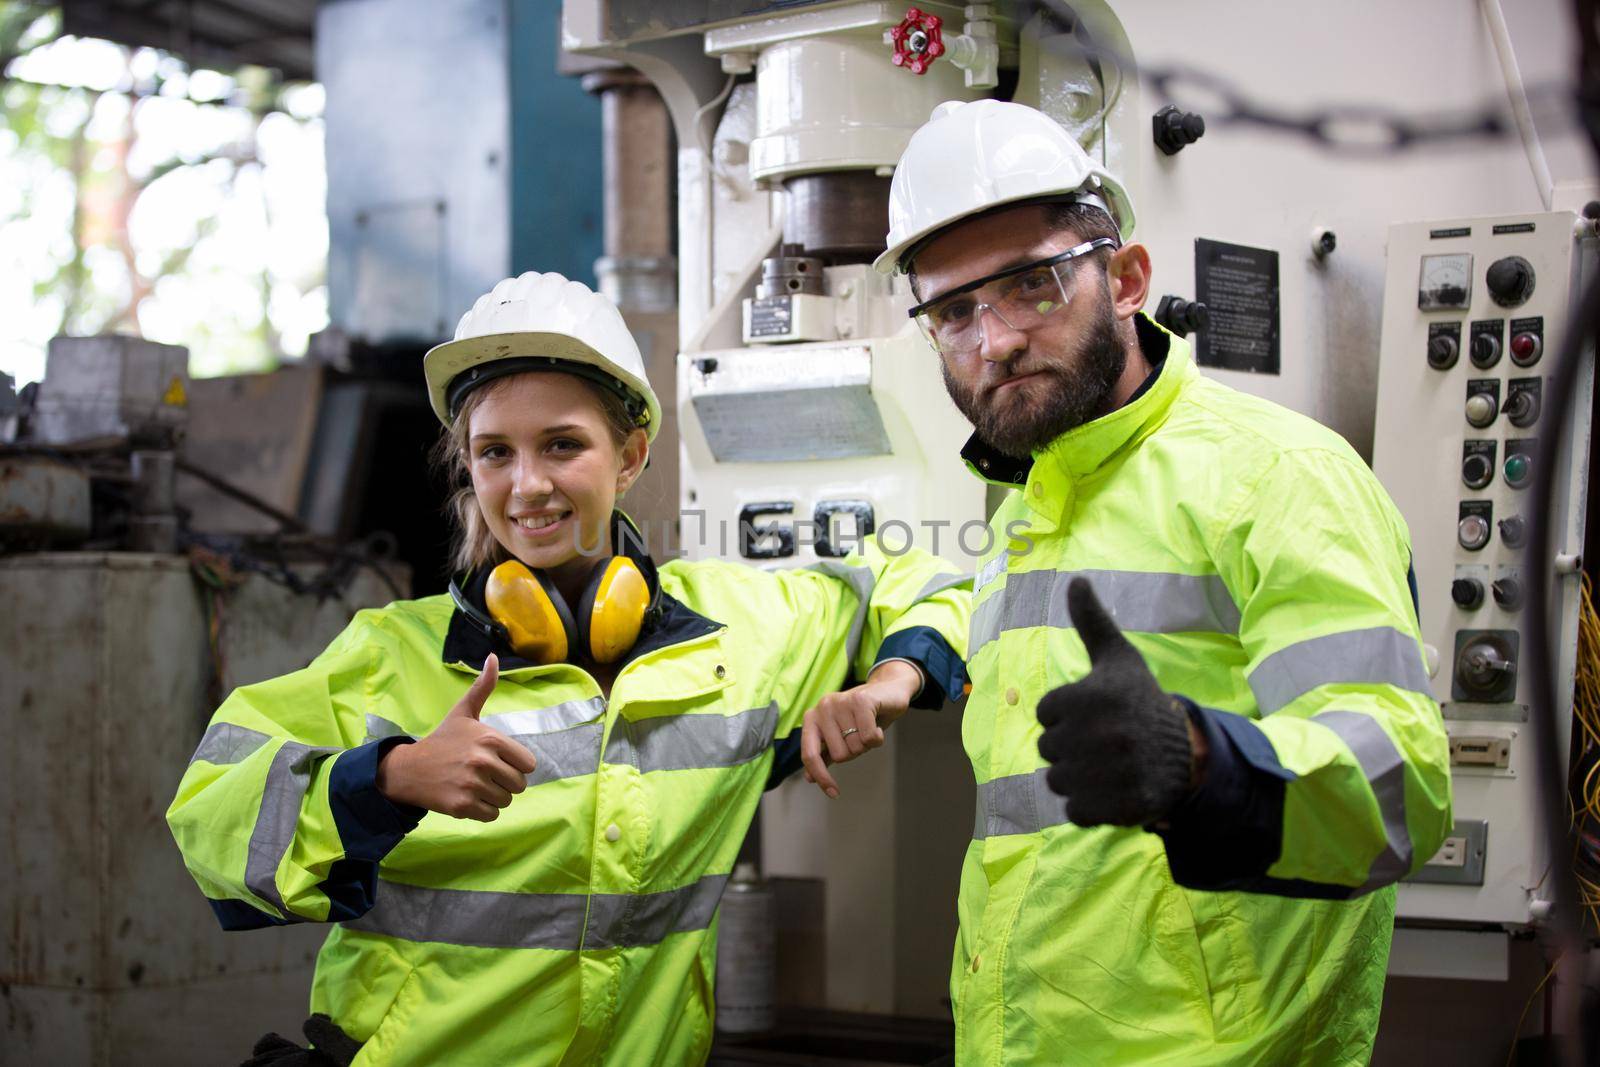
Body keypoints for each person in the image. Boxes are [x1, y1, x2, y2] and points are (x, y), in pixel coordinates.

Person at [166, 271, 971, 1066]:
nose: (527, 485)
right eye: (494, 452)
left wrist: (893, 676)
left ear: (630, 455)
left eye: (562, 444)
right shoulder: (391, 656)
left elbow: (922, 578)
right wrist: (391, 778)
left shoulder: (739, 637)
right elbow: (210, 814)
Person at [804, 99, 1453, 1065]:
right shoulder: (1030, 510)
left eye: (1031, 285)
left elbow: (1401, 783)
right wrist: (901, 672)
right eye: (952, 312)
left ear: (1129, 279)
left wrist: (1206, 763)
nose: (994, 341)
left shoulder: (1280, 477)